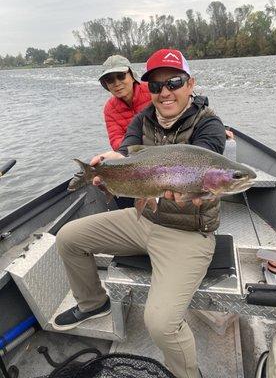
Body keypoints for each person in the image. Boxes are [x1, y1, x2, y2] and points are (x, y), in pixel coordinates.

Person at [54, 48, 226, 378]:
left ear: (191, 84)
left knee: (160, 325)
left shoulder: (210, 124)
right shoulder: (141, 118)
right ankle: (93, 303)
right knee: (68, 238)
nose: (165, 92)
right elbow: (124, 153)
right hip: (144, 219)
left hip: (187, 232)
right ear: (148, 88)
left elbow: (205, 159)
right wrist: (108, 170)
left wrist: (185, 183)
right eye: (156, 85)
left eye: (173, 82)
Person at [99, 55, 151, 151]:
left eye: (121, 76)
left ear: (132, 76)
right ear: (105, 84)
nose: (117, 83)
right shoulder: (110, 108)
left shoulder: (152, 90)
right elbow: (116, 141)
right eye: (110, 80)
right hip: (133, 154)